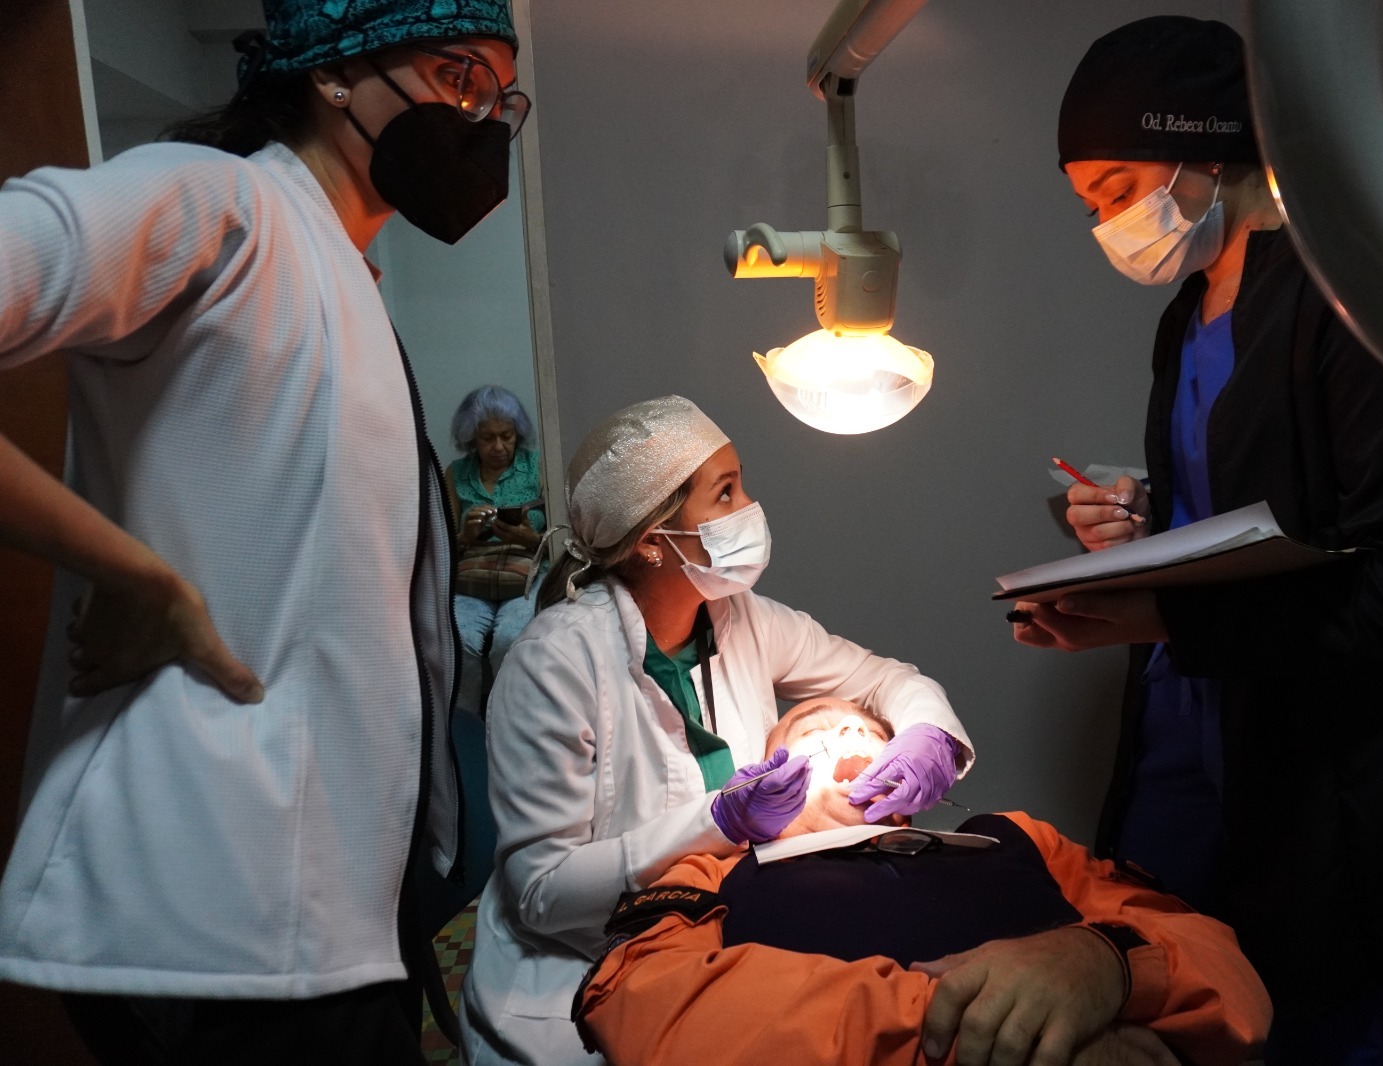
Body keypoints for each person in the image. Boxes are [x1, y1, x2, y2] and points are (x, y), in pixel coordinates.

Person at [0, 1, 528, 1061]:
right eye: (457, 77)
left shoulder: (342, 276)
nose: (480, 124)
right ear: (333, 73)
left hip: (321, 911)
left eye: (500, 100)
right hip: (223, 919)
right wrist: (137, 577)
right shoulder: (216, 201)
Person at [1009, 16, 1383, 1064]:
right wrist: (1144, 523)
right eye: (1091, 206)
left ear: (1200, 143)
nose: (1109, 226)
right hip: (1191, 740)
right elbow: (1258, 504)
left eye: (1118, 188)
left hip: (1325, 777)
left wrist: (1165, 611)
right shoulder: (1192, 313)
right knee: (1179, 989)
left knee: (1312, 1020)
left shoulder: (1362, 298)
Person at [460, 395, 975, 1065]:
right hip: (574, 982)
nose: (750, 509)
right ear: (652, 541)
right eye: (726, 493)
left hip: (717, 946)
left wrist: (928, 735)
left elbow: (884, 680)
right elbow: (541, 892)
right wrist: (720, 820)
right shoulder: (553, 665)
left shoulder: (742, 617)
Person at [573, 698, 1271, 1066]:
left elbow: (1222, 969)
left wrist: (1110, 965)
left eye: (864, 729)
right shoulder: (717, 873)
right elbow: (651, 1011)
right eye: (814, 733)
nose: (848, 737)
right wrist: (991, 1028)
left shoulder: (1017, 836)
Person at [446, 384, 547, 702]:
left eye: (507, 435)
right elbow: (444, 547)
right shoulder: (456, 474)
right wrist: (466, 536)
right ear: (471, 438)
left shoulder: (538, 468)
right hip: (472, 576)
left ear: (518, 432)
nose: (499, 446)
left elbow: (562, 537)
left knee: (510, 638)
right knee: (459, 638)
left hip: (527, 572)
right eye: (487, 438)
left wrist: (530, 539)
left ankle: (508, 717)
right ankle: (465, 724)